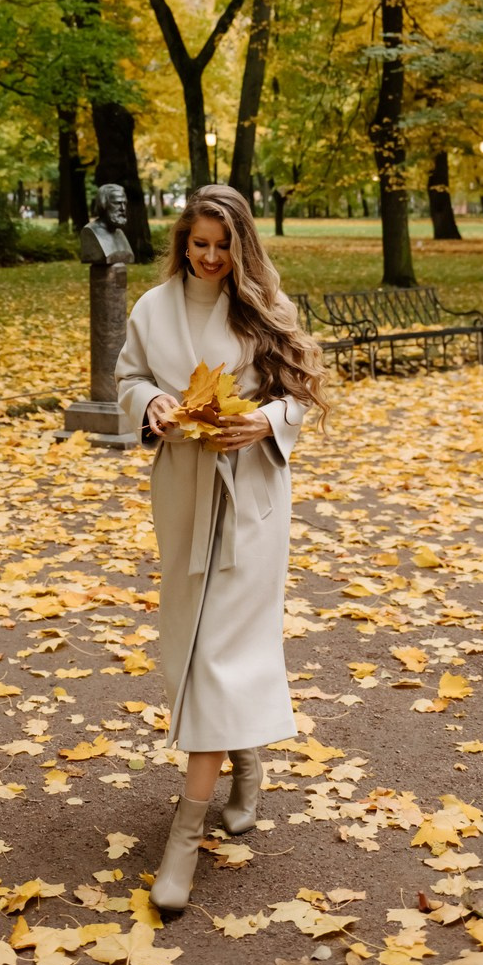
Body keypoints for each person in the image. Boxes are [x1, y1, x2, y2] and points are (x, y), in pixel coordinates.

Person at [115, 184, 327, 915]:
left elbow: (300, 392)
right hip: (182, 492)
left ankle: (184, 835)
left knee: (217, 656)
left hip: (251, 504)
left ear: (242, 247)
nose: (208, 258)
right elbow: (129, 375)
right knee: (190, 646)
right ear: (183, 241)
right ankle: (247, 761)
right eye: (198, 245)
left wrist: (266, 422)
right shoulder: (152, 308)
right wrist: (152, 405)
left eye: (222, 246)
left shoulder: (267, 306)